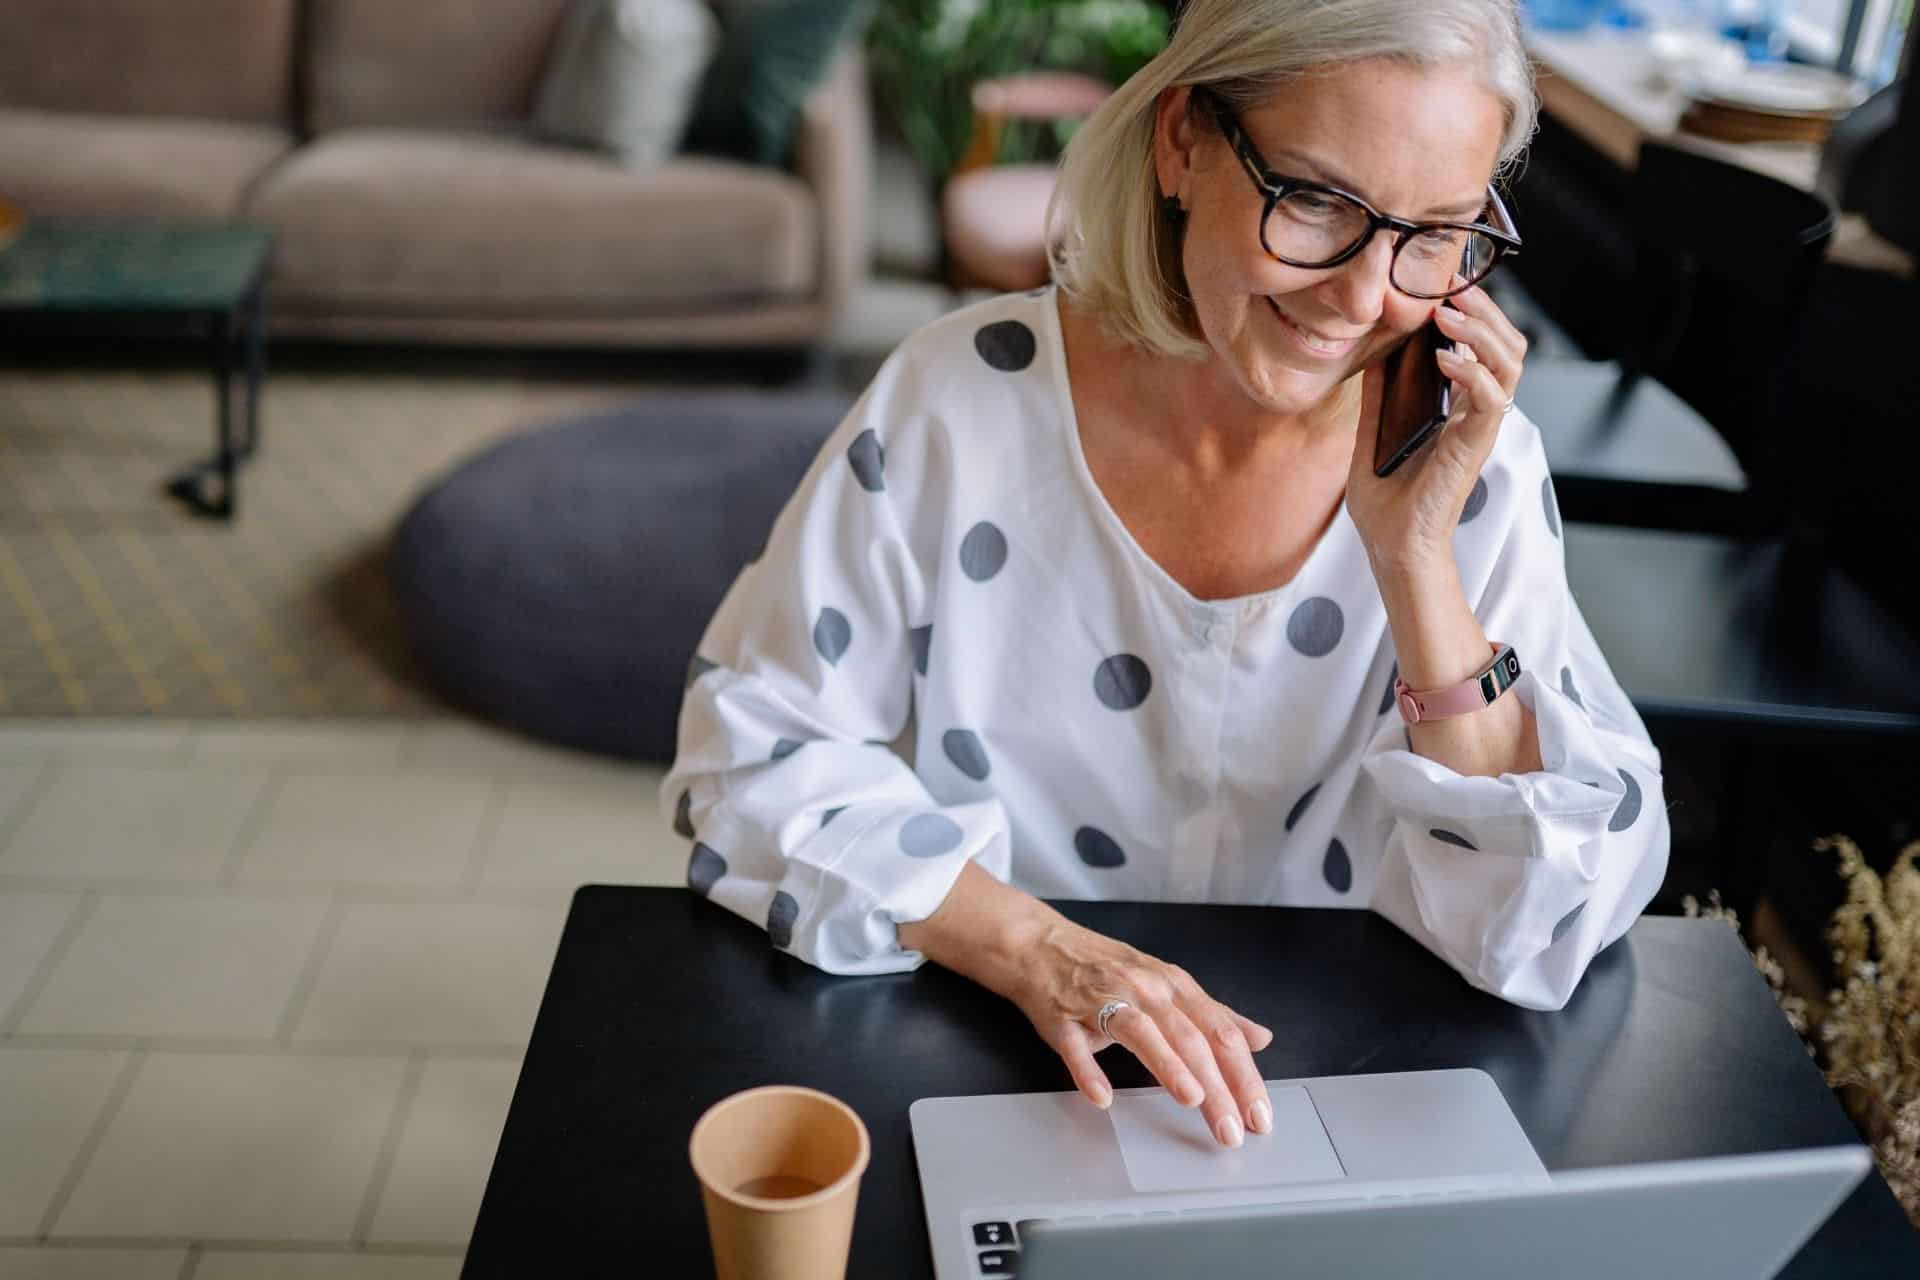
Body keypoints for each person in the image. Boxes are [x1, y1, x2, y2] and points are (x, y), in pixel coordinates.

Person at [662, 0, 1668, 1152]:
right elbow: (745, 752)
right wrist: (1034, 946)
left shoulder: (1468, 466)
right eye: (1318, 200)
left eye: (1435, 232)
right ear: (1182, 138)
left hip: (1339, 1094)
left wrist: (1414, 560)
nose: (1362, 297)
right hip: (999, 1055)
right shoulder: (958, 401)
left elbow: (1541, 922)